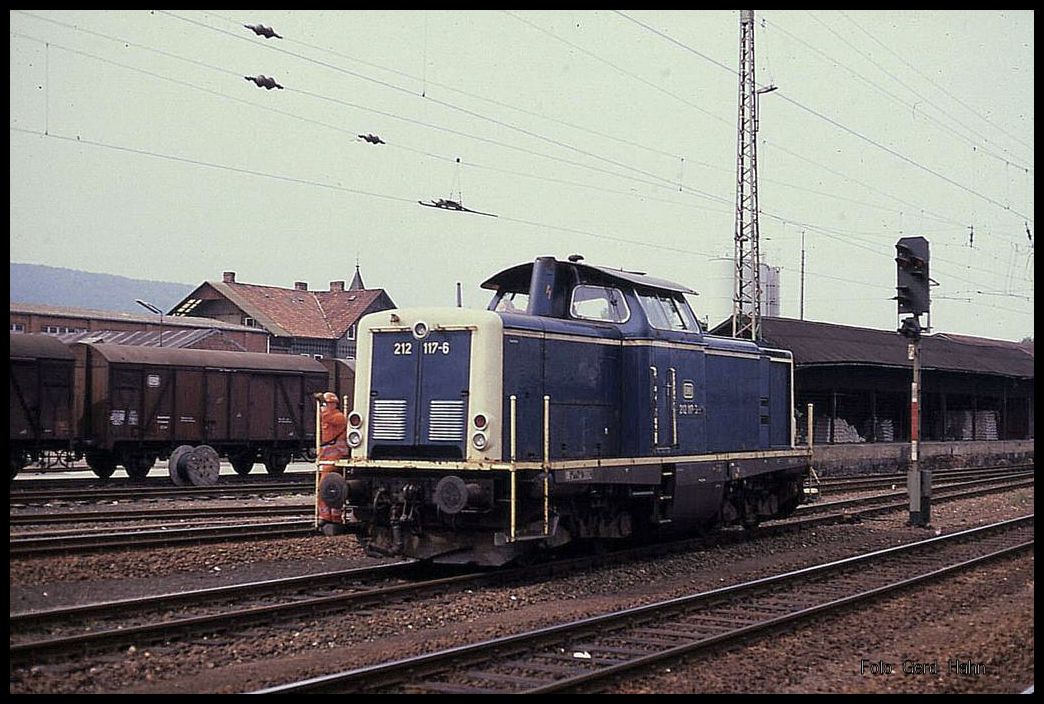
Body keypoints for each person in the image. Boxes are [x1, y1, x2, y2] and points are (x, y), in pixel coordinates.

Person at [317, 392, 349, 532]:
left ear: (332, 404)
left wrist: (319, 403)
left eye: (326, 403)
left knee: (327, 487)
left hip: (334, 459)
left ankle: (332, 516)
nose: (324, 406)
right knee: (327, 488)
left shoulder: (338, 417)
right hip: (327, 458)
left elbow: (323, 415)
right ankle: (328, 516)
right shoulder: (331, 417)